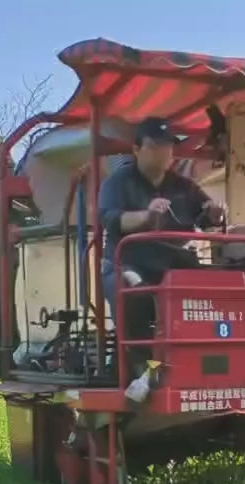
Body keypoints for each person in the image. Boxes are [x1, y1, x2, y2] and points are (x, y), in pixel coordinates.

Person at [98, 116, 227, 369]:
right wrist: (147, 216)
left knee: (222, 285)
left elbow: (207, 217)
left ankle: (204, 362)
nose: (164, 152)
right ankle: (141, 370)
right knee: (131, 288)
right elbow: (111, 220)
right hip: (130, 263)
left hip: (177, 266)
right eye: (155, 145)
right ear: (136, 149)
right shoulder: (117, 183)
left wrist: (216, 212)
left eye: (168, 145)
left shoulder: (184, 187)